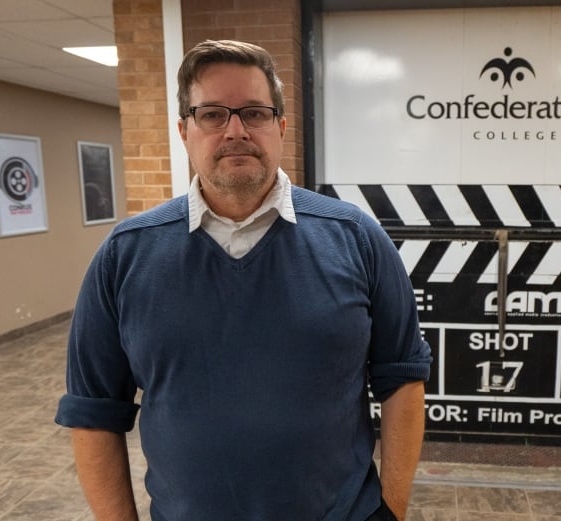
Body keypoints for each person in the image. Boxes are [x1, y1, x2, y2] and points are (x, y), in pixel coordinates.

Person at [55, 40, 431, 521]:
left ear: (280, 126)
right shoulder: (124, 255)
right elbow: (92, 412)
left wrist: (391, 512)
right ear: (184, 131)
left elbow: (402, 379)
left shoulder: (356, 238)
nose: (236, 130)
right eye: (212, 114)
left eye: (254, 112)